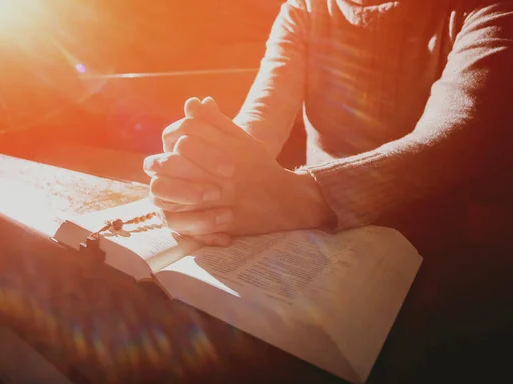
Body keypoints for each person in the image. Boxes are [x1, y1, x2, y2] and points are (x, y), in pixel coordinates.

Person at [143, 0, 513, 248]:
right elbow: (263, 115)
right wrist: (211, 167)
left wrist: (306, 196)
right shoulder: (305, 8)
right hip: (317, 236)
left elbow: (454, 138)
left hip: (429, 242)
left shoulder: (485, 9)